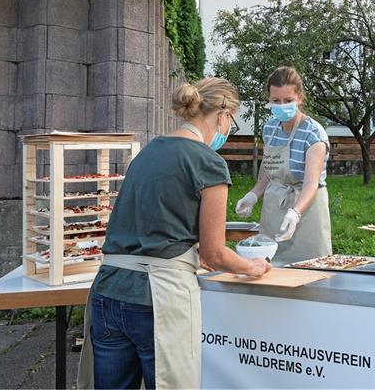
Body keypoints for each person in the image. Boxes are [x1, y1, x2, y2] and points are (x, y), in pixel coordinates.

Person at [77, 77, 271, 389]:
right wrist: (254, 267)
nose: (226, 131)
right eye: (230, 123)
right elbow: (214, 252)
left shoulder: (148, 152)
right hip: (157, 299)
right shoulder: (209, 162)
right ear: (222, 115)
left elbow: (151, 218)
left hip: (108, 289)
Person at [235, 66, 332, 265]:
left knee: (310, 271)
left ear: (300, 99)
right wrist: (253, 195)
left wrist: (295, 213)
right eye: (276, 101)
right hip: (274, 208)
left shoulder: (314, 134)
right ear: (269, 101)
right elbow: (271, 171)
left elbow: (311, 183)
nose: (282, 105)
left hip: (307, 210)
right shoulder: (270, 128)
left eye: (288, 101)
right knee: (268, 268)